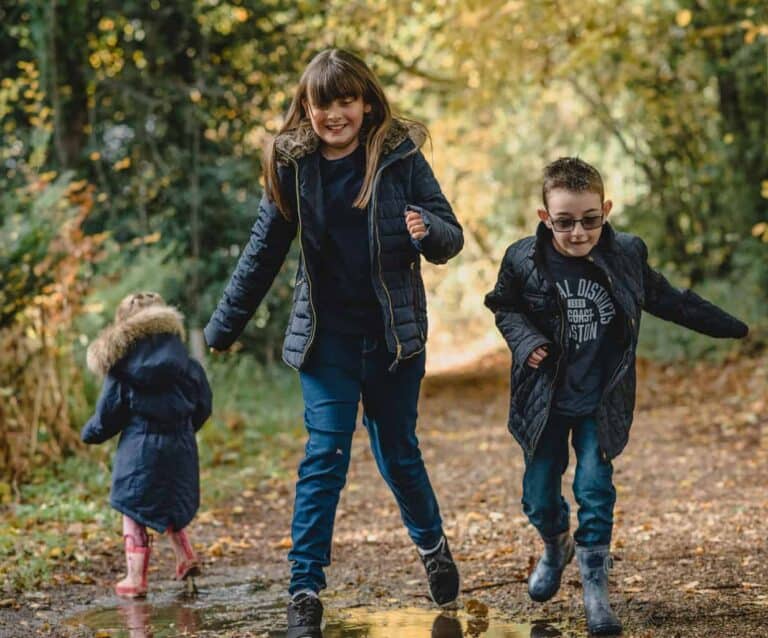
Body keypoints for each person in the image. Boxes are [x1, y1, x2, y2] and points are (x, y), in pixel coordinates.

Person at [204, 48, 464, 637]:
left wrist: (428, 234)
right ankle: (304, 591)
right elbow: (262, 251)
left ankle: (432, 547)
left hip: (395, 338)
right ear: (308, 107)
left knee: (398, 451)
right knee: (325, 456)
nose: (335, 113)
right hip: (326, 342)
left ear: (366, 101)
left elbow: (453, 234)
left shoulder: (399, 157)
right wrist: (223, 327)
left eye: (346, 100)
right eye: (322, 103)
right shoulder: (294, 166)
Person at [484, 157, 748, 635]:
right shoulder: (522, 259)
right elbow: (502, 305)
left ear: (605, 209)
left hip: (600, 397)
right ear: (545, 217)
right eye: (565, 222)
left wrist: (733, 327)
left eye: (590, 219)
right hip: (543, 399)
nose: (579, 232)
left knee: (594, 488)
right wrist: (527, 343)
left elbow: (671, 298)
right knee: (538, 496)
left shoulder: (625, 254)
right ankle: (555, 543)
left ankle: (594, 589)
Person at [82, 292, 212, 598]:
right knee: (171, 502)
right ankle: (185, 556)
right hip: (181, 444)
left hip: (139, 450)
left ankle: (135, 577)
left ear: (124, 327)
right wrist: (185, 429)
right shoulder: (188, 364)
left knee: (133, 508)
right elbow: (203, 404)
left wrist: (91, 433)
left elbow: (108, 415)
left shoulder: (123, 369)